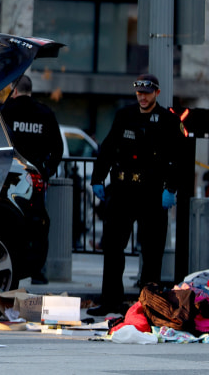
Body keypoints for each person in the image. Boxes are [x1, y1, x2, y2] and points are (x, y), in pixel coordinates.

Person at [87, 73, 183, 316]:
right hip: (122, 191)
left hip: (151, 193)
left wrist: (170, 189)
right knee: (113, 249)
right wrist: (98, 178)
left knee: (151, 252)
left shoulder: (167, 121)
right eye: (139, 92)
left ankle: (148, 306)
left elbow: (177, 159)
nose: (142, 97)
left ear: (157, 93)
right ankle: (110, 301)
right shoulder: (124, 115)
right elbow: (108, 149)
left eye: (147, 92)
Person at [0, 74, 63, 284]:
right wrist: (46, 172)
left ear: (14, 90)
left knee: (7, 222)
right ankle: (38, 271)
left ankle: (10, 264)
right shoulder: (45, 113)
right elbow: (57, 149)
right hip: (35, 180)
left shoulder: (5, 111)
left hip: (7, 178)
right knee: (37, 224)